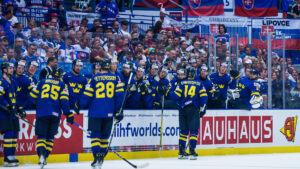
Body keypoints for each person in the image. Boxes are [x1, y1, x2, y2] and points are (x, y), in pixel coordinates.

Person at [76, 59, 124, 169]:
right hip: (109, 112)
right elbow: (119, 96)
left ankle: (96, 157)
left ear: (100, 67)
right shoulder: (116, 78)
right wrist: (119, 111)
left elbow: (87, 95)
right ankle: (101, 158)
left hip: (95, 112)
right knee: (104, 137)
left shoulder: (94, 78)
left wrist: (80, 105)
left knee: (95, 136)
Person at [30, 67, 74, 168]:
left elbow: (32, 96)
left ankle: (41, 156)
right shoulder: (63, 85)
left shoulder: (42, 82)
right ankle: (45, 157)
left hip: (42, 113)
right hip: (55, 114)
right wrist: (68, 113)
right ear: (60, 76)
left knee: (41, 136)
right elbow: (64, 100)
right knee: (50, 137)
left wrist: (37, 104)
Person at [168, 67, 208, 160]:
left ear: (187, 74)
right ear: (194, 74)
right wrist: (202, 107)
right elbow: (204, 98)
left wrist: (168, 92)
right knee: (194, 131)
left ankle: (181, 152)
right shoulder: (199, 84)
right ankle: (192, 151)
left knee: (183, 131)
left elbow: (175, 96)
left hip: (182, 109)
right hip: (193, 109)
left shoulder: (181, 83)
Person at [0, 62, 25, 167]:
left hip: (13, 113)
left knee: (15, 134)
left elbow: (15, 98)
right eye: (10, 68)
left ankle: (12, 155)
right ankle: (7, 156)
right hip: (4, 114)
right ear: (4, 69)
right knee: (9, 133)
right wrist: (7, 106)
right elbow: (0, 98)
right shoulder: (1, 82)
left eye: (12, 68)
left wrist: (20, 109)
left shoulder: (13, 82)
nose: (12, 69)